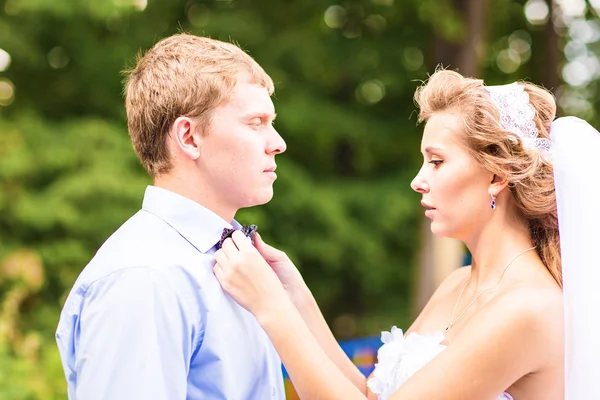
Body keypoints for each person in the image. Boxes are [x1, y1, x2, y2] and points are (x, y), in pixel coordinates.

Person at [213, 69, 600, 399]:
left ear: (497, 176)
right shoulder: (457, 284)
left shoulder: (528, 308)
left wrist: (271, 310)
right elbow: (372, 395)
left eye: (437, 161)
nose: (418, 181)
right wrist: (295, 298)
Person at [55, 33, 287, 400]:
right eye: (255, 122)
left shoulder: (239, 262)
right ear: (190, 138)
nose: (278, 142)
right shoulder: (144, 278)